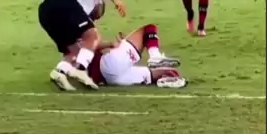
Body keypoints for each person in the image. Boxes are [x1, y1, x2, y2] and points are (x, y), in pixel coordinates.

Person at [39, 0, 127, 90]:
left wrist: (111, 44)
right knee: (92, 35)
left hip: (45, 13)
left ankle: (59, 72)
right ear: (100, 3)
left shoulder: (80, 14)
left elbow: (90, 45)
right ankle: (81, 70)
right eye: (98, 14)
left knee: (74, 50)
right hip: (61, 1)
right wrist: (116, 0)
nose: (95, 17)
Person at [52, 22, 185, 91]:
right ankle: (155, 56)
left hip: (113, 79)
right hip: (110, 66)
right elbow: (92, 47)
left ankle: (167, 80)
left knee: (165, 72)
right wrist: (111, 44)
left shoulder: (69, 56)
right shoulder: (80, 40)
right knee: (149, 29)